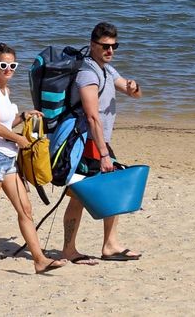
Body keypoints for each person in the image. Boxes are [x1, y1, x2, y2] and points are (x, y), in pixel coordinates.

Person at [0, 44, 68, 275]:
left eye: (12, 65)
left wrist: (24, 116)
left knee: (25, 209)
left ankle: (39, 260)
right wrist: (19, 140)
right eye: (3, 65)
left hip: (8, 160)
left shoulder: (6, 91)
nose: (8, 69)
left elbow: (6, 123)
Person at [60, 22, 142, 265]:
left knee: (113, 188)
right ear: (93, 45)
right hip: (88, 143)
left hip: (100, 142)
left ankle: (109, 244)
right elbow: (92, 115)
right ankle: (69, 250)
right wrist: (104, 154)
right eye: (106, 46)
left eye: (114, 46)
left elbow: (133, 93)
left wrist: (134, 87)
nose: (111, 51)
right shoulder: (88, 73)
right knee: (79, 196)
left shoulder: (107, 70)